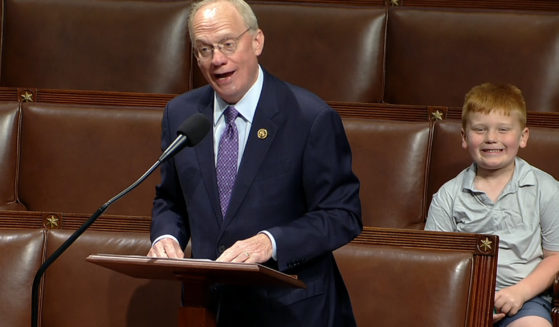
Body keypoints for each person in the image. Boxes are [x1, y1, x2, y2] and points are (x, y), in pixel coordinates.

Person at [147, 0, 362, 325]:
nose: (217, 59)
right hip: (209, 309)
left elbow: (342, 214)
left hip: (292, 310)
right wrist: (166, 237)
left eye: (227, 44)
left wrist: (271, 242)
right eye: (204, 49)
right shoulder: (181, 115)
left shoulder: (309, 118)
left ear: (257, 40)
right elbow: (171, 200)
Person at [425, 82, 559, 327]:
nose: (491, 138)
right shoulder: (448, 196)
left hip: (525, 298)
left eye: (503, 129)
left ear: (523, 137)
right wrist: (468, 301)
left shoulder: (546, 188)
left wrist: (519, 293)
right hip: (460, 299)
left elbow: (556, 256)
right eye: (480, 130)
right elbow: (433, 263)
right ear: (464, 138)